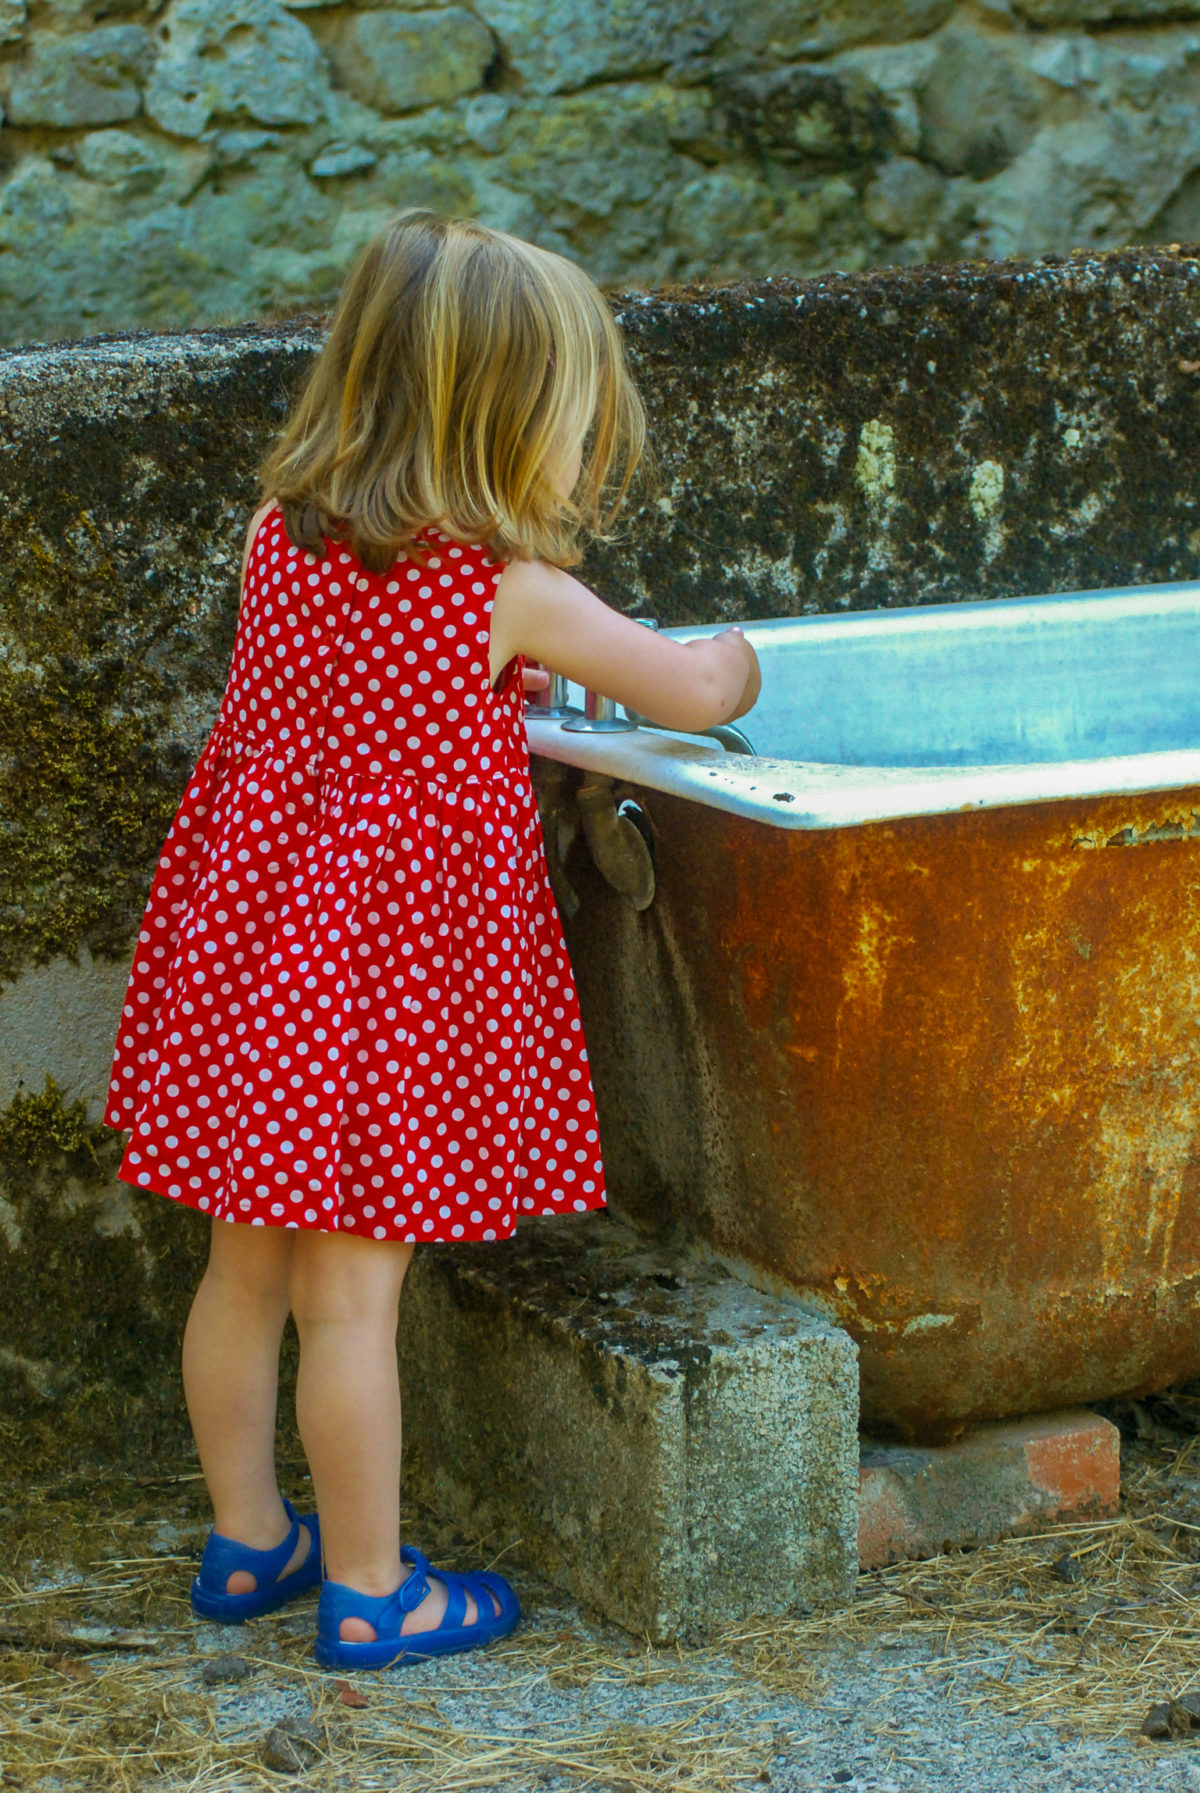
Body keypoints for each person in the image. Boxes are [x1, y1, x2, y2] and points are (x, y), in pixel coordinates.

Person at [104, 209, 761, 1672]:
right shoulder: (505, 587)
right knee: (353, 1298)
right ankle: (371, 1587)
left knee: (242, 1277)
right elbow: (690, 687)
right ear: (509, 421)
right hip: (385, 995)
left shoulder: (274, 535)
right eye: (575, 418)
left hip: (250, 962)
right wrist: (747, 657)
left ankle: (244, 1539)